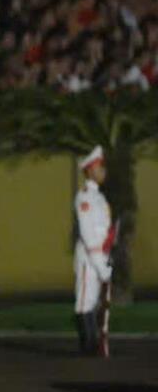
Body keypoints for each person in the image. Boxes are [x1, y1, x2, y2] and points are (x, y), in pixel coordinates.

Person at [73, 145, 113, 356]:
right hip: (89, 257)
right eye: (99, 167)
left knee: (93, 300)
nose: (103, 171)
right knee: (85, 301)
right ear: (89, 170)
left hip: (99, 256)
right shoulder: (86, 198)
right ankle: (87, 346)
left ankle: (93, 344)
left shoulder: (99, 197)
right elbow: (90, 236)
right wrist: (101, 265)